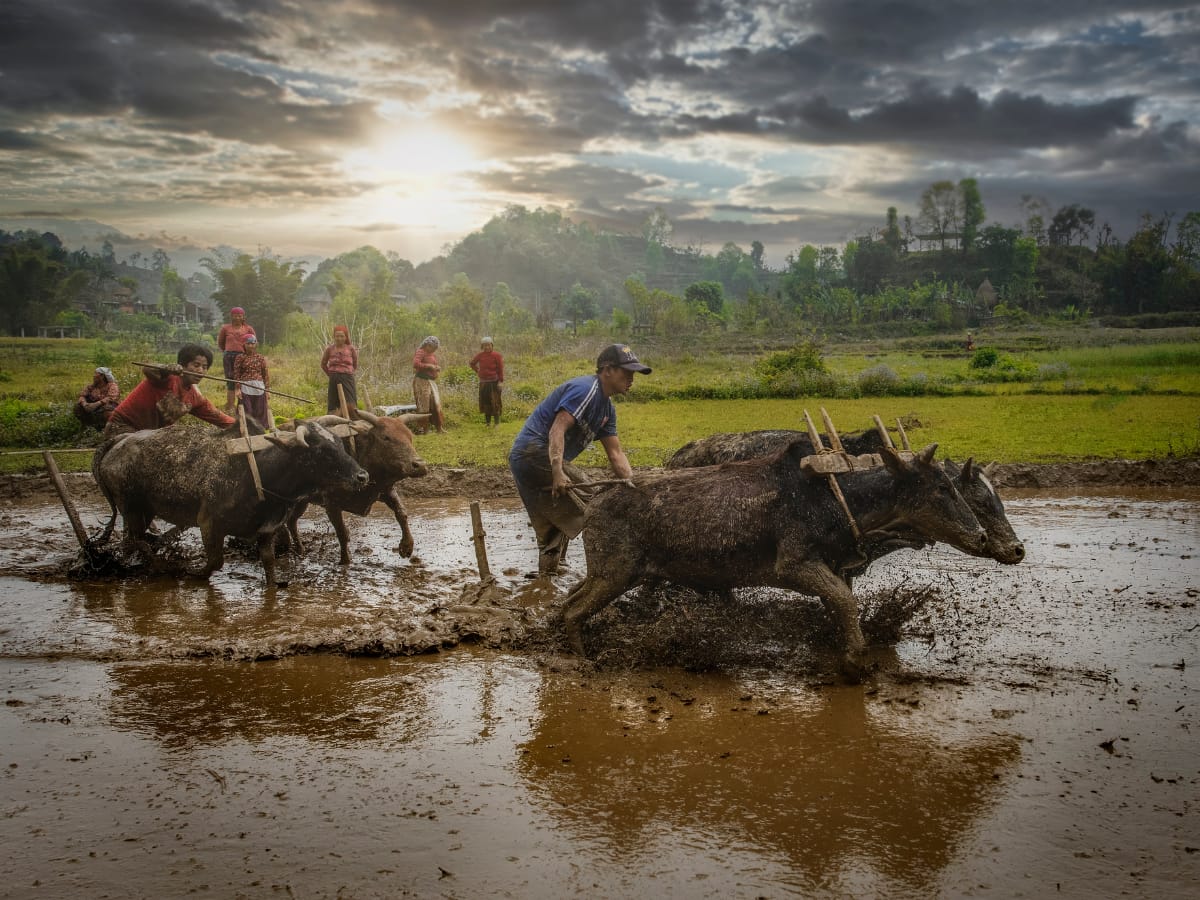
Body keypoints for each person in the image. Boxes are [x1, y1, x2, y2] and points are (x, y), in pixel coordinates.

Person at [508, 343, 651, 576]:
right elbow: (557, 429)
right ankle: (612, 568)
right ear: (607, 370)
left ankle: (546, 582)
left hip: (531, 459)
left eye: (633, 373)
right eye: (626, 372)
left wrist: (634, 484)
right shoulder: (586, 390)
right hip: (533, 453)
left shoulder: (607, 410)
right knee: (593, 503)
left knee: (553, 525)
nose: (631, 378)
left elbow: (615, 454)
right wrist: (557, 471)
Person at [104, 344, 235, 438]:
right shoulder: (166, 378)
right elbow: (148, 369)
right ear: (182, 365)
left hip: (148, 437)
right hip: (122, 428)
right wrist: (166, 368)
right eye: (196, 365)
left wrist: (244, 427)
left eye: (205, 367)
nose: (201, 371)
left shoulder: (195, 398)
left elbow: (220, 418)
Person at [217, 307, 255, 414]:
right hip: (229, 357)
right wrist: (228, 352)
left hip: (244, 357)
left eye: (240, 315)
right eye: (235, 315)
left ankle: (242, 406)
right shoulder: (225, 328)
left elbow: (253, 342)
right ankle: (230, 406)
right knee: (231, 382)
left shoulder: (248, 329)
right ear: (231, 316)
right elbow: (221, 343)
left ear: (243, 317)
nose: (237, 317)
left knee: (244, 381)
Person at [232, 334, 271, 428]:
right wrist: (237, 389)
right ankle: (247, 429)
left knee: (260, 410)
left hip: (259, 387)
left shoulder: (260, 358)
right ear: (244, 345)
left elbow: (265, 374)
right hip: (245, 387)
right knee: (247, 410)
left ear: (256, 344)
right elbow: (236, 374)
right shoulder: (240, 358)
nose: (251, 346)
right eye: (248, 343)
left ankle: (261, 430)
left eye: (253, 343)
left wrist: (267, 390)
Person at [320, 325, 359, 413]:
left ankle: (352, 420)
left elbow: (355, 364)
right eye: (337, 336)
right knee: (333, 403)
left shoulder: (351, 349)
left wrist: (348, 372)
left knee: (350, 401)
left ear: (345, 337)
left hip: (347, 378)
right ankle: (333, 421)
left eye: (342, 336)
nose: (339, 338)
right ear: (334, 337)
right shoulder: (329, 349)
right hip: (334, 378)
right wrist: (330, 374)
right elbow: (323, 364)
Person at [412, 336, 445, 433]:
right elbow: (415, 364)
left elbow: (433, 365)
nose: (433, 350)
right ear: (427, 345)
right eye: (432, 347)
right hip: (421, 381)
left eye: (435, 348)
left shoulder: (432, 355)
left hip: (431, 382)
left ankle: (439, 428)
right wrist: (429, 366)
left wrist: (436, 368)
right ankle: (424, 428)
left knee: (435, 403)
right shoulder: (420, 352)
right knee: (423, 404)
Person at [469, 337, 505, 428]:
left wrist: (500, 381)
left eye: (488, 345)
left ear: (492, 345)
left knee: (495, 402)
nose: (487, 347)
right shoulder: (480, 355)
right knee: (486, 403)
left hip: (494, 382)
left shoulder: (497, 355)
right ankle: (488, 423)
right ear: (482, 346)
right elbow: (472, 363)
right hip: (483, 383)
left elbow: (500, 369)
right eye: (484, 345)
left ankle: (497, 423)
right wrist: (478, 371)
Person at [73, 366, 121, 430]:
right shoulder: (91, 387)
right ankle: (87, 426)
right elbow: (82, 396)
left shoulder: (112, 385)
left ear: (102, 376)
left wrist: (96, 404)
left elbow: (111, 398)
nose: (93, 376)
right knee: (78, 407)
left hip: (107, 408)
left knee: (109, 413)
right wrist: (85, 404)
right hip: (92, 408)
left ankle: (107, 428)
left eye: (95, 373)